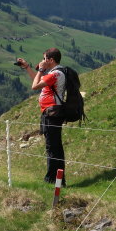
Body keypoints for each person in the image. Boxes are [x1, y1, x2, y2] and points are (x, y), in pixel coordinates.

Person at [16, 47, 67, 186]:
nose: (42, 61)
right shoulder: (53, 73)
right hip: (49, 112)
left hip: (53, 113)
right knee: (52, 146)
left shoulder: (55, 74)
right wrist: (27, 67)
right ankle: (57, 179)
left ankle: (53, 179)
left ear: (51, 60)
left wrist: (40, 70)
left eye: (45, 59)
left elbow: (34, 86)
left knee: (53, 147)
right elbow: (37, 81)